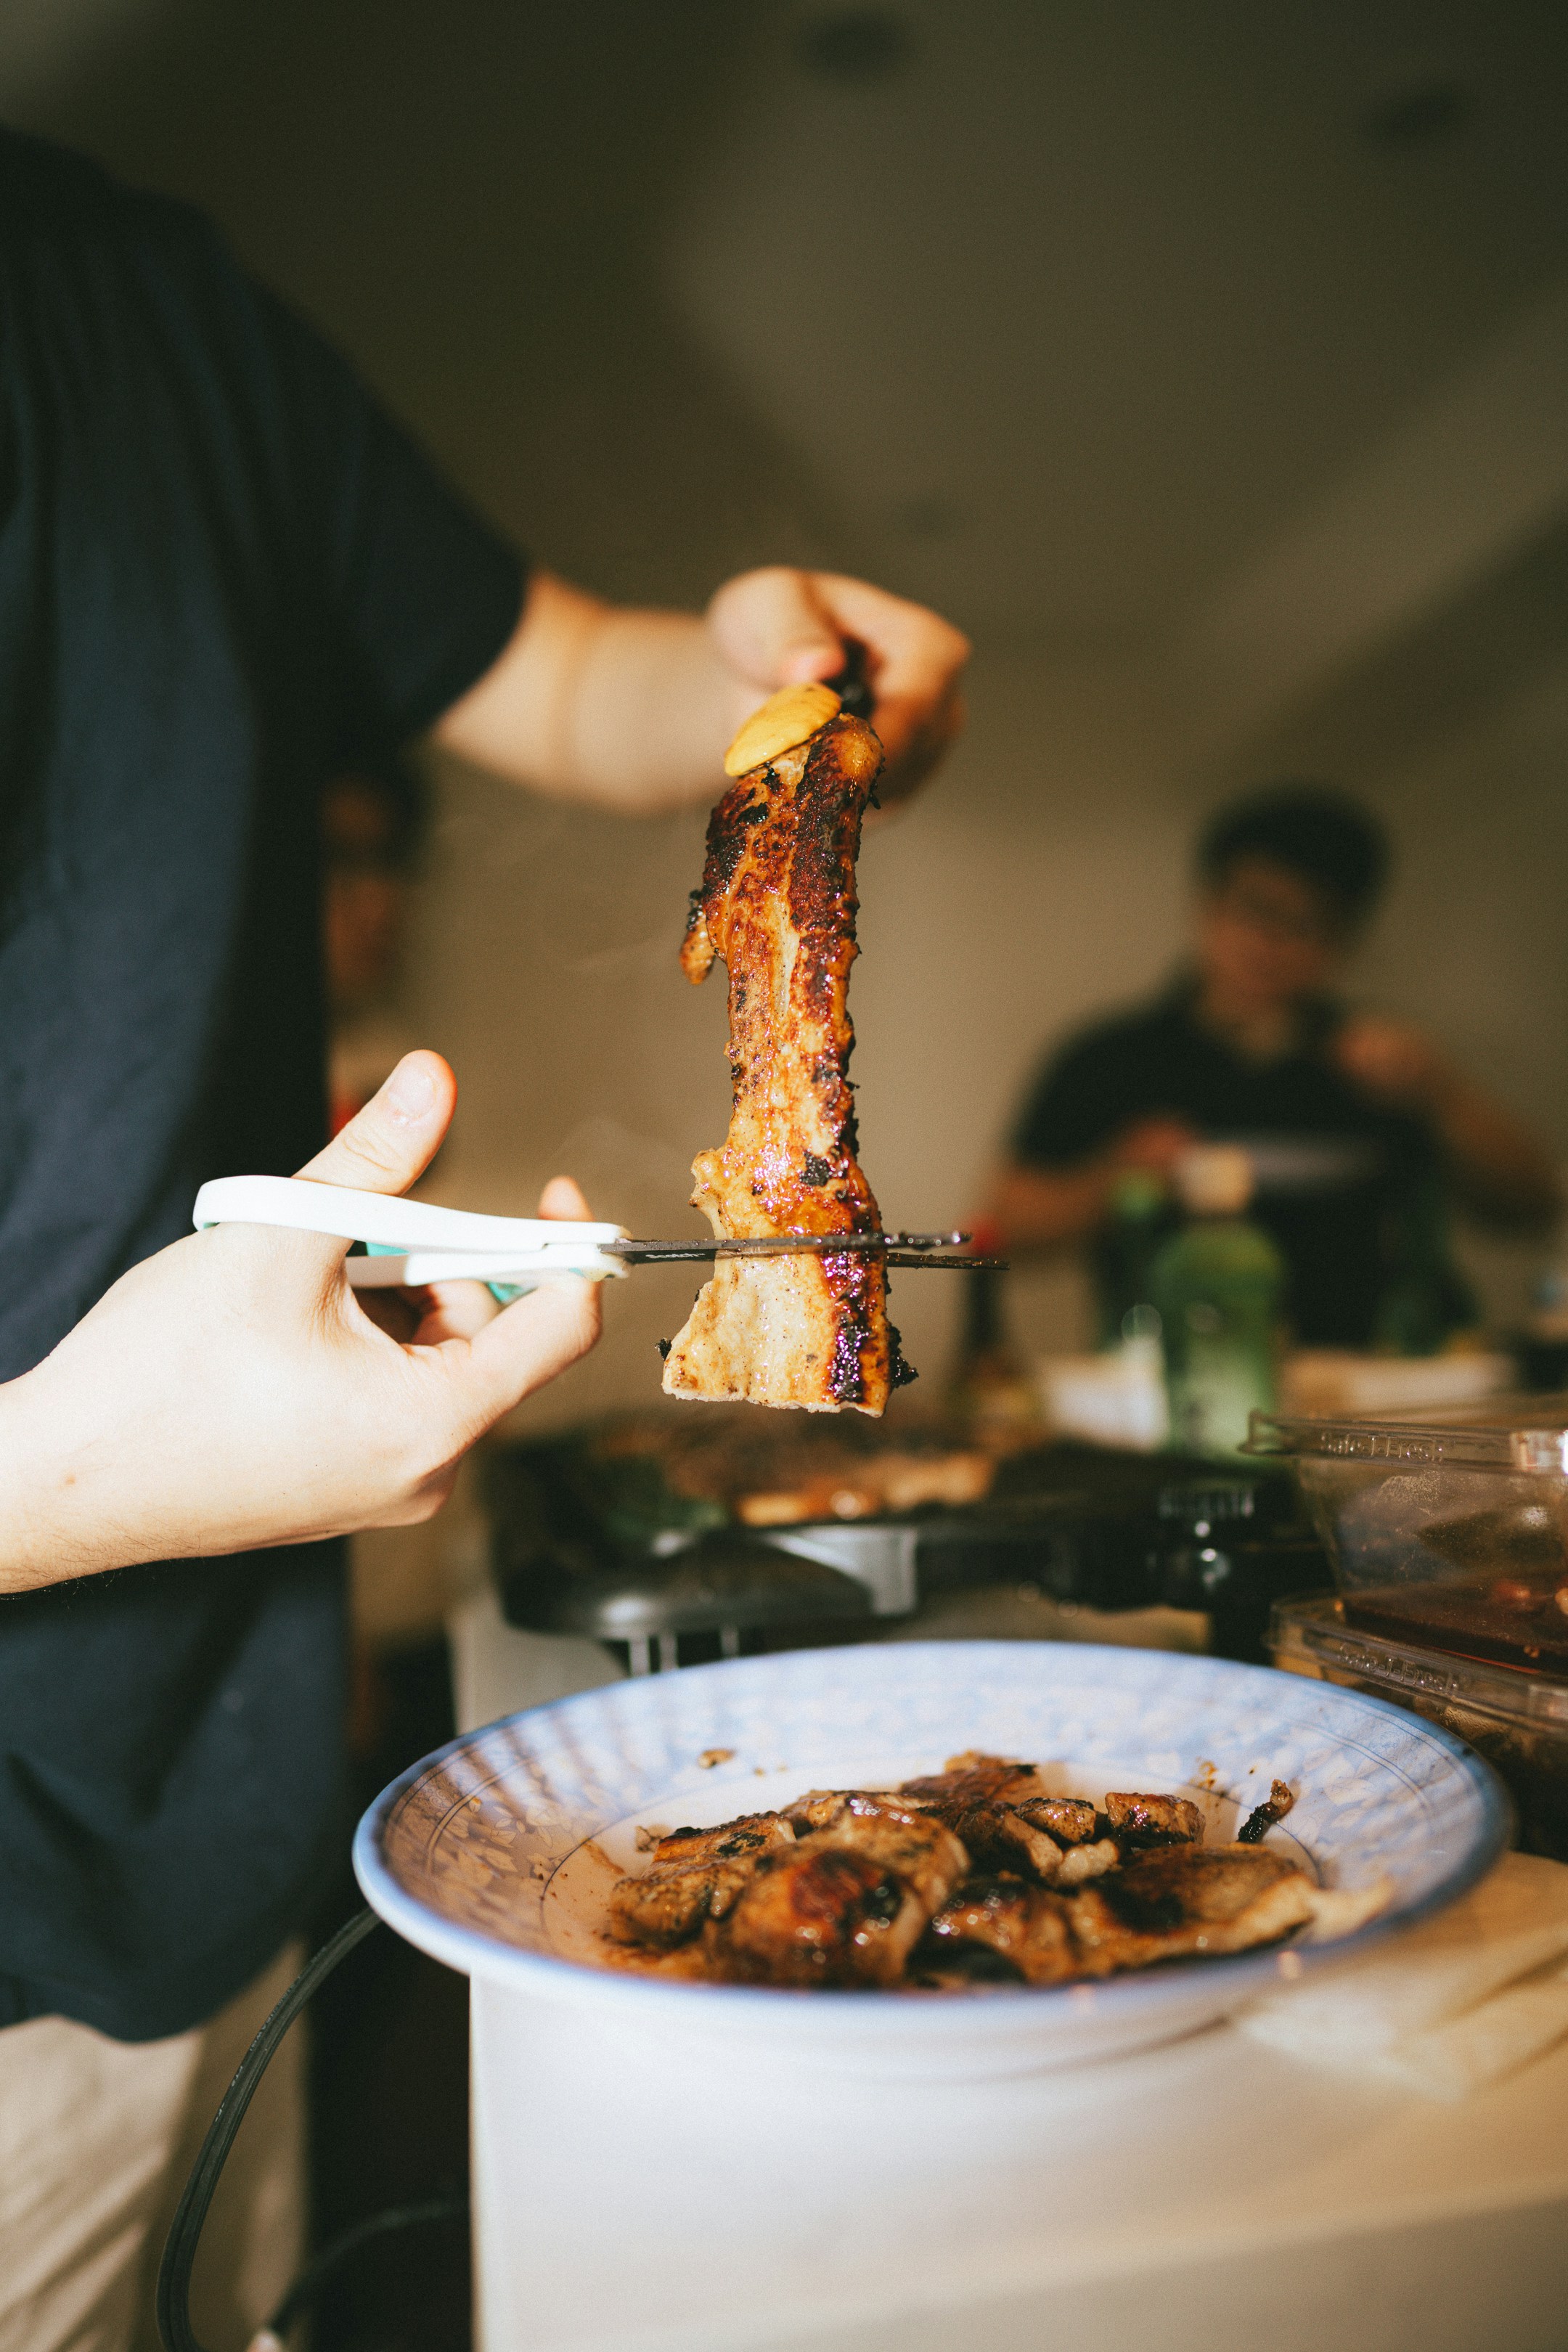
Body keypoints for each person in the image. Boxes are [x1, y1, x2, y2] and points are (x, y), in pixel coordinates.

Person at [0, 126, 969, 2351]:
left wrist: (777, 691)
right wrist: (58, 1484)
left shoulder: (138, 289)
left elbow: (555, 678)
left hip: (221, 1850)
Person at [984, 783, 1561, 1352]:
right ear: (1209, 903)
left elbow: (1530, 1206)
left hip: (1371, 1375)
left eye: (1307, 923)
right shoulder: (1114, 1056)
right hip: (1175, 1370)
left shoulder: (1381, 1061)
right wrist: (1114, 1177)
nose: (1272, 942)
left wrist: (1442, 1092)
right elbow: (1004, 1227)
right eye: (1256, 909)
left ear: (1345, 941)